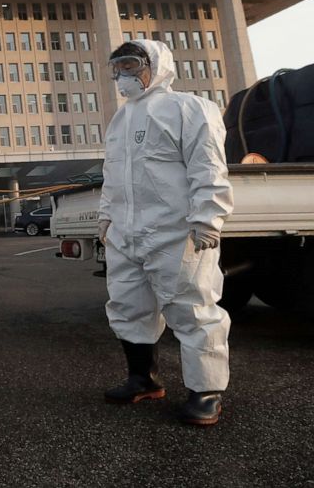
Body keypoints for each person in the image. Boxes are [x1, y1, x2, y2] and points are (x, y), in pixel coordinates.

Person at [98, 39, 233, 426]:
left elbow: (208, 169)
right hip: (127, 234)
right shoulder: (120, 119)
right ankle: (143, 379)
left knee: (192, 309)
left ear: (155, 65)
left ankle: (206, 391)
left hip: (177, 234)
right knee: (127, 305)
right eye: (118, 68)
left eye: (130, 66)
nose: (124, 76)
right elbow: (113, 175)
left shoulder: (189, 109)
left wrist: (208, 218)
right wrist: (107, 217)